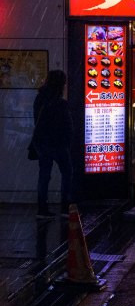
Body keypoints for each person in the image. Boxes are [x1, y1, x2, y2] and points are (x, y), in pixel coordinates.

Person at [32, 69, 73, 219]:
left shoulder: (39, 98)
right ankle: (65, 207)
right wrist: (68, 141)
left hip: (42, 142)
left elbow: (37, 120)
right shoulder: (61, 103)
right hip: (58, 143)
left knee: (44, 174)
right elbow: (67, 126)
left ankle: (42, 208)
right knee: (67, 173)